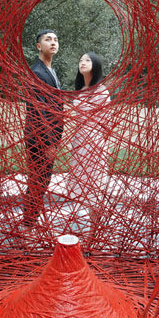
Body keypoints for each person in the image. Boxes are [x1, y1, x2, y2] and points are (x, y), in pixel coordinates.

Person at [22, 29, 63, 228]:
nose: (53, 43)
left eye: (55, 40)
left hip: (47, 138)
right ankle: (29, 223)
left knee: (42, 180)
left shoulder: (51, 72)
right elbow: (39, 112)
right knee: (38, 181)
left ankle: (31, 219)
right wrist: (48, 143)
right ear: (39, 46)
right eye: (48, 40)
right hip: (39, 138)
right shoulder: (37, 73)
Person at [66, 52, 111, 214]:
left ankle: (93, 232)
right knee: (81, 183)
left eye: (87, 60)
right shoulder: (81, 90)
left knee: (94, 185)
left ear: (96, 65)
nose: (82, 62)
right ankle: (87, 231)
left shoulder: (101, 91)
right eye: (81, 59)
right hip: (79, 141)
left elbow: (107, 121)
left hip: (93, 141)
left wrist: (99, 142)